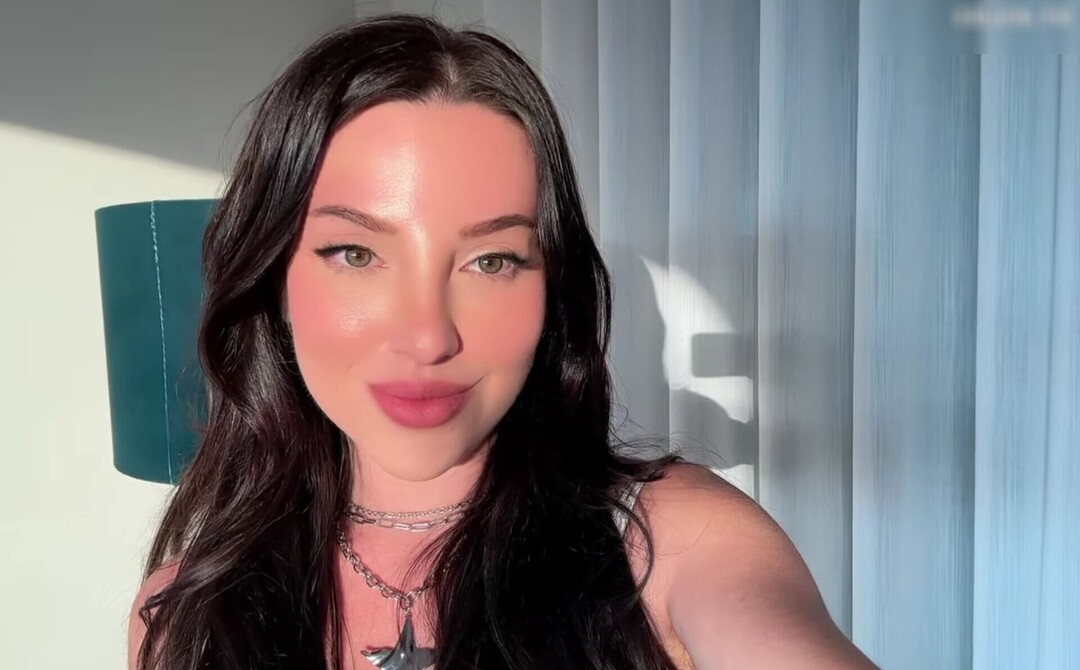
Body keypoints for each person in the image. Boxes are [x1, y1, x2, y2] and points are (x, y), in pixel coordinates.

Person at [128, 13, 878, 670]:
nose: (429, 336)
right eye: (356, 254)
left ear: (551, 287)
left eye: (491, 261)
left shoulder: (669, 540)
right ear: (275, 281)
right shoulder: (186, 614)